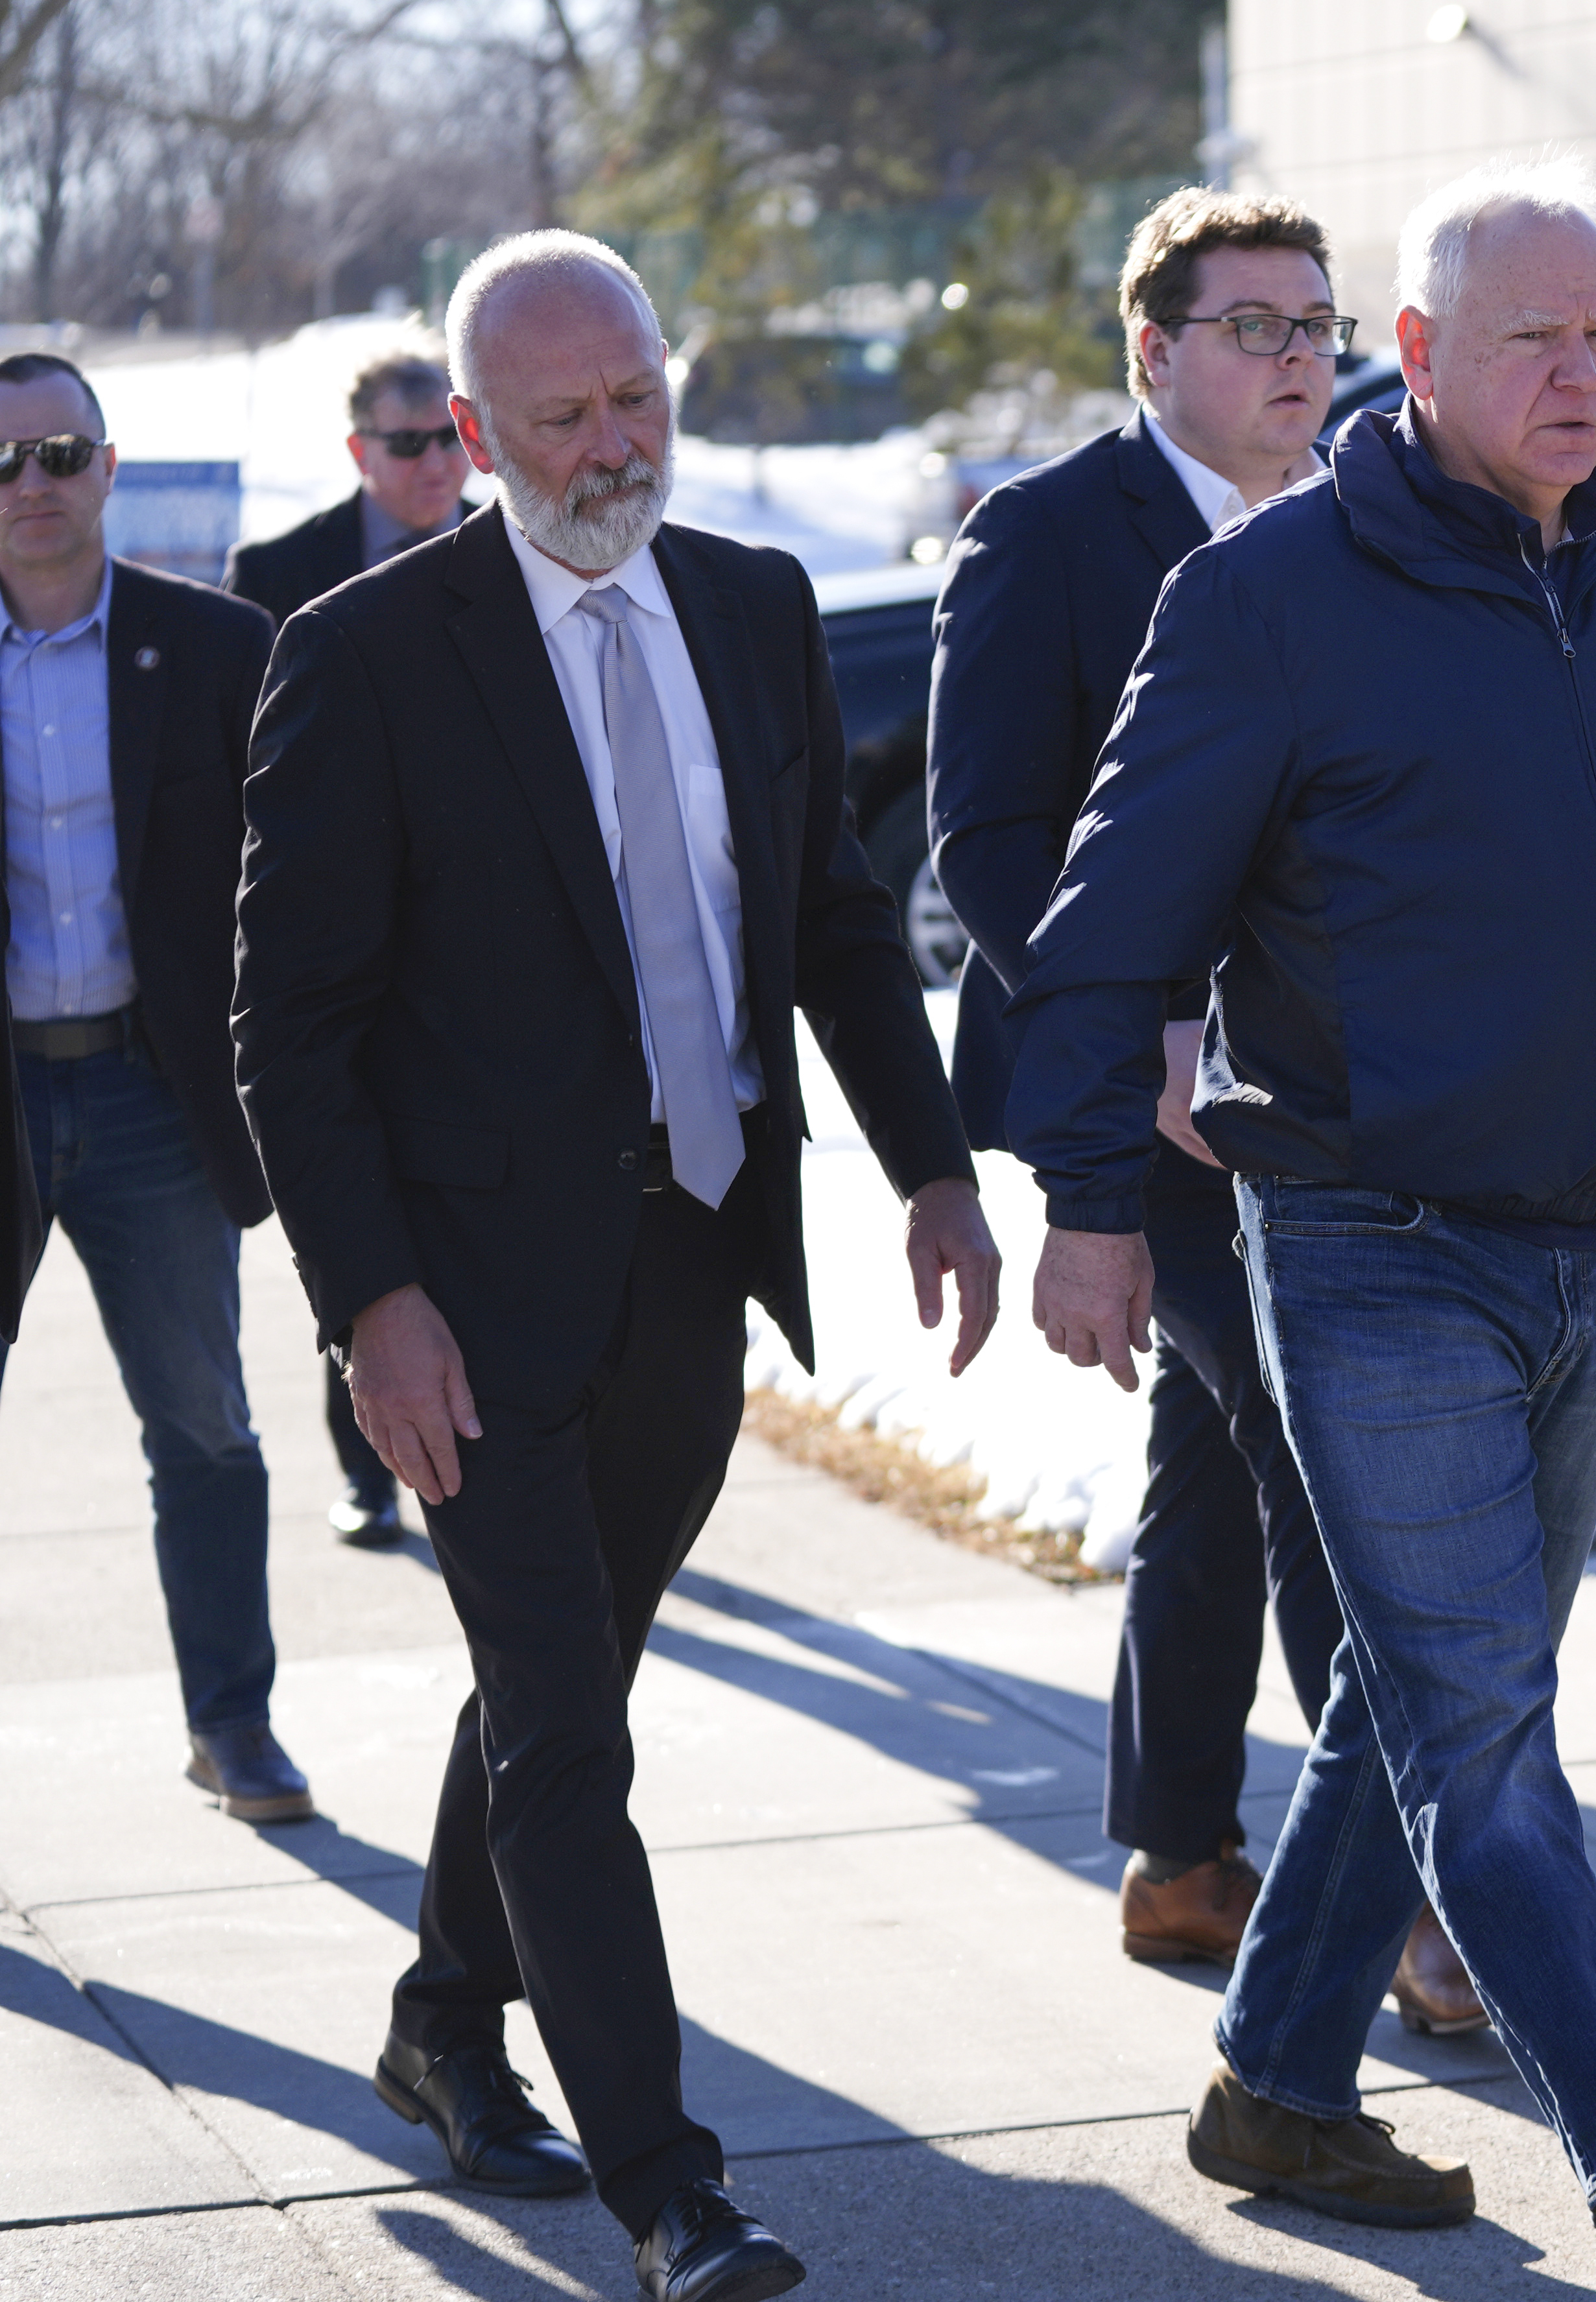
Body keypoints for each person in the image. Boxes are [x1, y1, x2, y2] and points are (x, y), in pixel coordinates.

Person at [1009, 154, 1596, 2302]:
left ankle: (1270, 2079)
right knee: (1478, 1716)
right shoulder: (1272, 592)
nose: (1578, 374)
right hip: (1372, 1242)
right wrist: (1082, 1202)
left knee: (1431, 1696)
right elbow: (1104, 923)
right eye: (1530, 336)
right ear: (1416, 356)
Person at [233, 231, 1001, 2302]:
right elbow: (287, 1019)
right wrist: (366, 1298)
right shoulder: (370, 651)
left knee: (561, 1689)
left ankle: (440, 2020)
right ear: (470, 437)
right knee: (573, 1730)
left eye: (636, 398)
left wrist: (932, 1169)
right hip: (464, 1302)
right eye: (558, 421)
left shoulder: (750, 607)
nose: (610, 448)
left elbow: (835, 919)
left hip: (692, 1253)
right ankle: (677, 2189)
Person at [925, 186, 1479, 2029]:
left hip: (1324, 1088)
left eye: (1316, 324)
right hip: (1137, 1099)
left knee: (1221, 1458)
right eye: (1254, 327)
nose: (1298, 359)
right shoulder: (1043, 537)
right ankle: (1404, 1890)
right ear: (1151, 350)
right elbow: (987, 839)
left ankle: (1177, 1849)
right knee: (1331, 1462)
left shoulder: (1358, 525)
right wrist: (1149, 1025)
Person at [0, 351, 304, 1824]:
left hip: (150, 1100)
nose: (31, 487)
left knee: (203, 1422)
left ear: (108, 466)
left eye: (58, 452)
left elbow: (298, 885)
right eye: (2, 463)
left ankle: (233, 1724)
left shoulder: (221, 648)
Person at [222, 340, 475, 1554]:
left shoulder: (525, 555)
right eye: (405, 443)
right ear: (358, 450)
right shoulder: (278, 577)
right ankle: (371, 1465)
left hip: (483, 973)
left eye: (447, 438)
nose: (433, 463)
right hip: (349, 964)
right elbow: (244, 782)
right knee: (360, 1220)